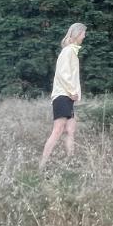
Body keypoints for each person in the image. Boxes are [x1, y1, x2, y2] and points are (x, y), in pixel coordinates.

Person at [40, 22, 85, 166]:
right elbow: (63, 74)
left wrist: (75, 94)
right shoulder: (68, 51)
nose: (84, 36)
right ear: (77, 34)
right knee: (58, 130)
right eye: (83, 33)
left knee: (71, 130)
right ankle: (42, 164)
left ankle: (70, 162)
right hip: (62, 96)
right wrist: (72, 92)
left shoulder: (72, 51)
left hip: (68, 96)